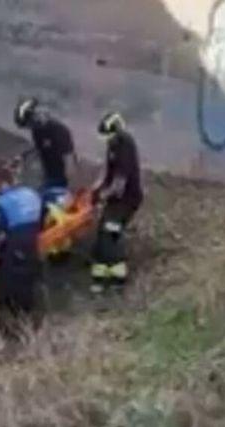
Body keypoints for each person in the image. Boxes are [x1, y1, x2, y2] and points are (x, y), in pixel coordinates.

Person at [90, 111, 144, 294]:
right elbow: (107, 172)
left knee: (111, 230)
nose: (106, 141)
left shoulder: (125, 147)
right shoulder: (113, 145)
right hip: (115, 198)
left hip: (127, 199)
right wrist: (94, 189)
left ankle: (117, 279)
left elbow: (120, 183)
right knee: (102, 232)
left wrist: (103, 196)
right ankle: (101, 273)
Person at [0, 165, 44, 322]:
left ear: (2, 183)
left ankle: (16, 320)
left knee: (10, 281)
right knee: (28, 282)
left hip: (17, 248)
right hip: (32, 245)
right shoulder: (31, 194)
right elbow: (41, 218)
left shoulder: (2, 203)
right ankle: (32, 317)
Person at [13, 97, 78, 212]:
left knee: (53, 209)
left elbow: (69, 160)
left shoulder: (59, 130)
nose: (28, 128)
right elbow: (39, 147)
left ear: (33, 117)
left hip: (61, 178)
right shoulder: (37, 130)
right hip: (48, 175)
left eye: (28, 125)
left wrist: (69, 189)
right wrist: (23, 156)